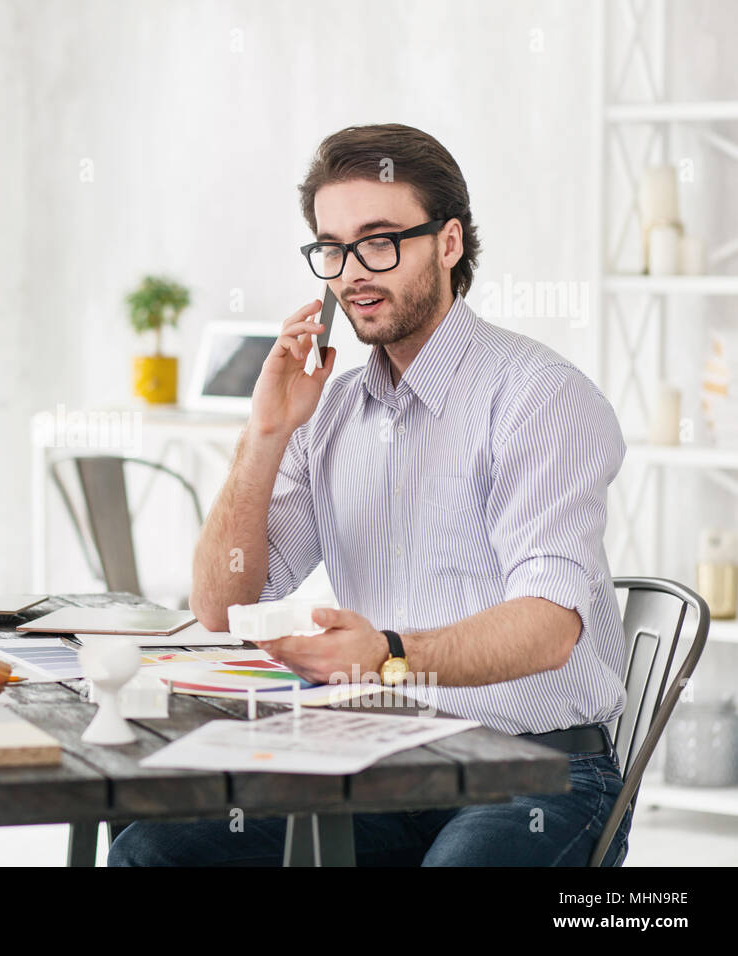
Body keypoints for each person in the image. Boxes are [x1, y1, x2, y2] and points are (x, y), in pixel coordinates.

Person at [109, 123, 633, 867]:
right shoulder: (327, 411)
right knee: (151, 850)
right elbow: (222, 609)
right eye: (334, 247)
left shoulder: (538, 398)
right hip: (384, 762)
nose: (353, 270)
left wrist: (386, 657)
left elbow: (550, 628)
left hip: (540, 771)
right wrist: (264, 433)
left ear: (449, 244)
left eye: (380, 240)